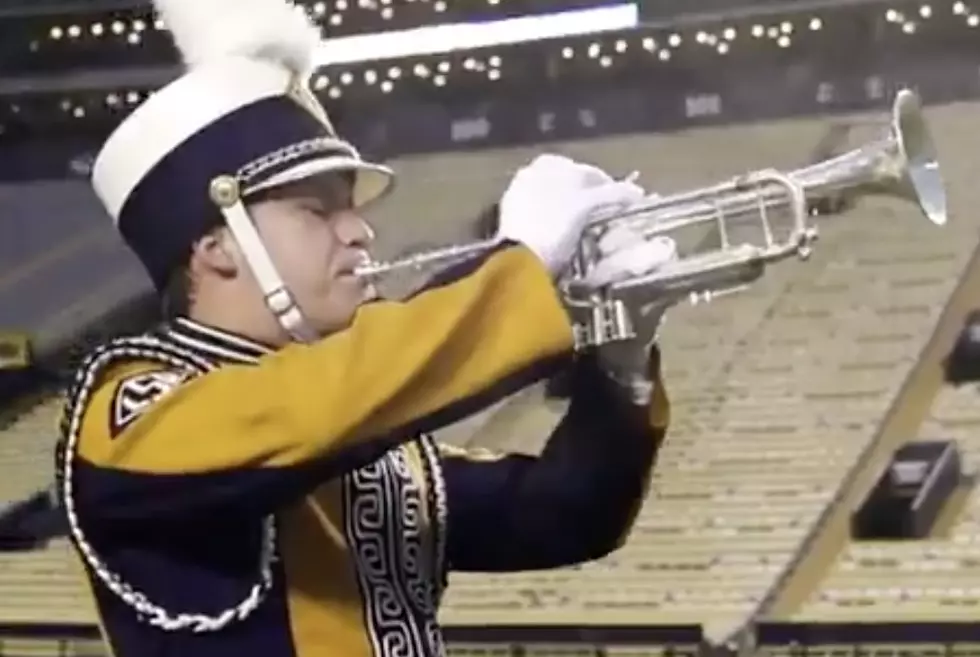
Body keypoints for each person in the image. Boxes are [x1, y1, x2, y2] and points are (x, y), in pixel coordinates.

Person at [53, 0, 675, 655]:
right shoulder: (129, 413)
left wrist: (622, 366)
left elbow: (566, 516)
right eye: (316, 210)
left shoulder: (358, 434)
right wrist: (514, 265)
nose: (360, 231)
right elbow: (304, 409)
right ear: (217, 247)